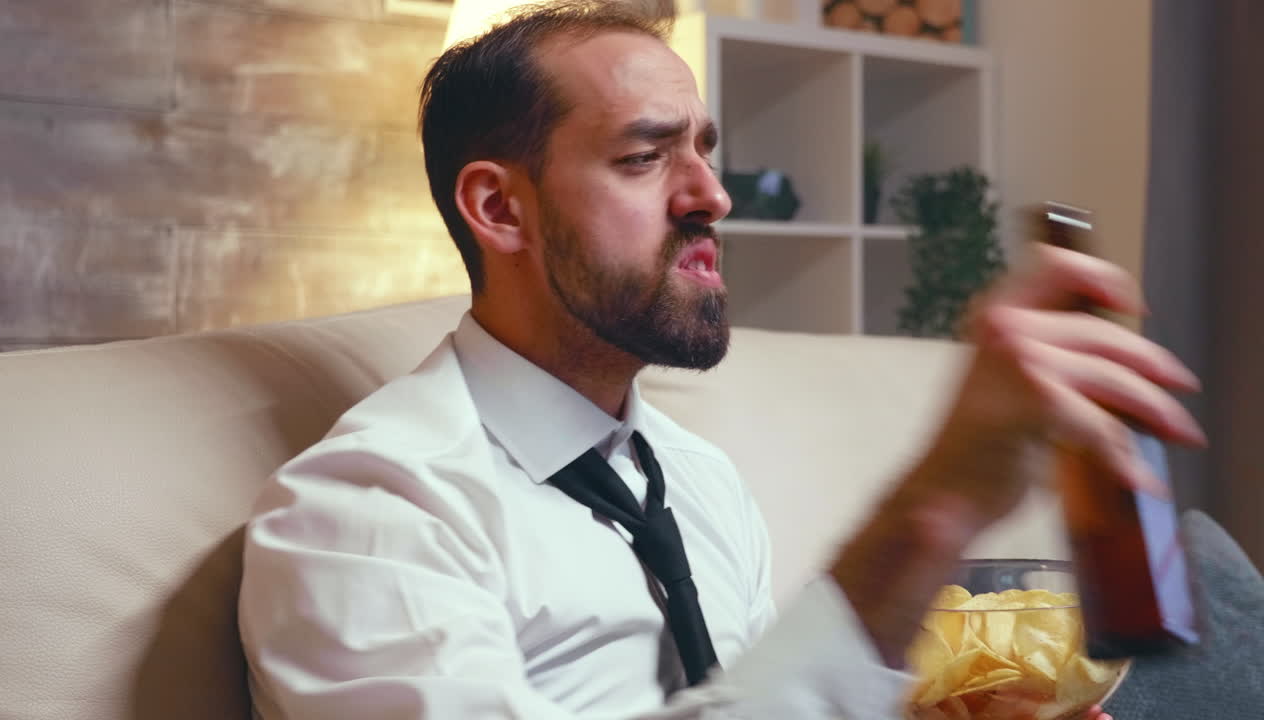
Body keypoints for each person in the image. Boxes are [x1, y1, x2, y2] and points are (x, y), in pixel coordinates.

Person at [237, 2, 1205, 718]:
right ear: (498, 209)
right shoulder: (367, 515)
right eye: (643, 157)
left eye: (703, 150)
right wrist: (936, 503)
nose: (710, 195)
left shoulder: (688, 476)